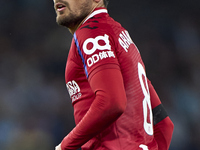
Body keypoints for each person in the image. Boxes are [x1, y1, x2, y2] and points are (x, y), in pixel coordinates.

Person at [53, 0, 174, 150]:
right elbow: (163, 123)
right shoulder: (119, 35)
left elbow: (111, 102)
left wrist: (64, 146)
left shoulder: (92, 32)